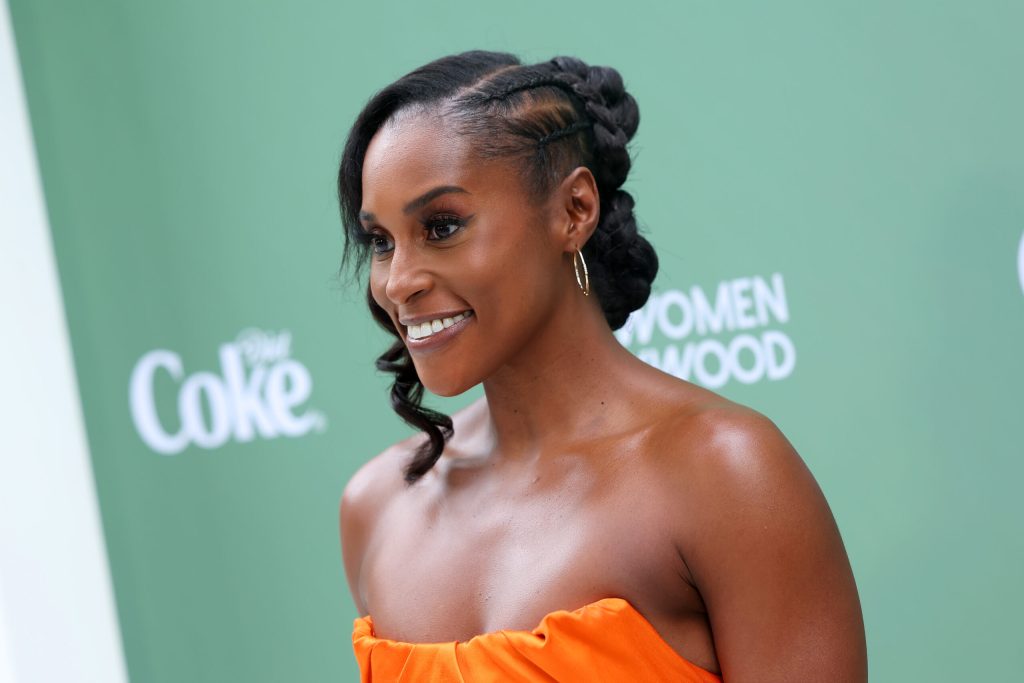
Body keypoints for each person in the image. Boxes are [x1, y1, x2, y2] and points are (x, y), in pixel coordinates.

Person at [337, 50, 867, 682]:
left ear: (574, 210)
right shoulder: (376, 506)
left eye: (442, 226)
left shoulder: (724, 475)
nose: (398, 282)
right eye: (380, 242)